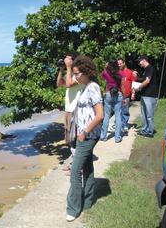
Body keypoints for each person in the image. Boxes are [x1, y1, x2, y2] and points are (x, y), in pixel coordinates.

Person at [66, 55, 104, 222]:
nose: (75, 77)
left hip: (88, 136)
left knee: (75, 171)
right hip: (85, 135)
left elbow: (100, 115)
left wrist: (84, 133)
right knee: (87, 168)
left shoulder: (93, 87)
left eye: (76, 74)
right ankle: (87, 201)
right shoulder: (85, 86)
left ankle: (73, 208)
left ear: (85, 72)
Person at [56, 52, 85, 159]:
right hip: (69, 109)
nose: (66, 61)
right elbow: (60, 84)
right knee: (70, 138)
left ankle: (78, 163)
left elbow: (68, 84)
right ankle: (75, 161)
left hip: (76, 109)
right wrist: (61, 69)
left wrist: (68, 68)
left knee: (75, 139)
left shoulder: (80, 74)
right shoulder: (70, 74)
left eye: (68, 59)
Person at [100, 60, 125, 143]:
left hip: (108, 94)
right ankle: (117, 138)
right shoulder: (120, 73)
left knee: (106, 115)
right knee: (118, 115)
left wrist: (106, 66)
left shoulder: (106, 72)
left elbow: (101, 76)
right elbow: (122, 86)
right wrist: (124, 98)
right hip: (118, 94)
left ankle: (103, 136)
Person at [134, 56, 158, 138]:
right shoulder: (145, 70)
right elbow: (143, 80)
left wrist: (139, 87)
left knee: (149, 115)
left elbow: (147, 81)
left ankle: (150, 132)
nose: (139, 63)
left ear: (144, 60)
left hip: (150, 95)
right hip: (144, 95)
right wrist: (137, 78)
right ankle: (144, 130)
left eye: (139, 61)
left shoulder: (150, 68)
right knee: (143, 114)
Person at [117, 58, 137, 132]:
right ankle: (119, 125)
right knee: (118, 111)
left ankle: (125, 125)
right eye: (118, 64)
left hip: (126, 95)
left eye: (120, 63)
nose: (119, 65)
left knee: (125, 111)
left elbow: (134, 84)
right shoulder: (117, 72)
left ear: (124, 63)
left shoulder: (130, 72)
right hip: (118, 95)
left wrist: (133, 93)